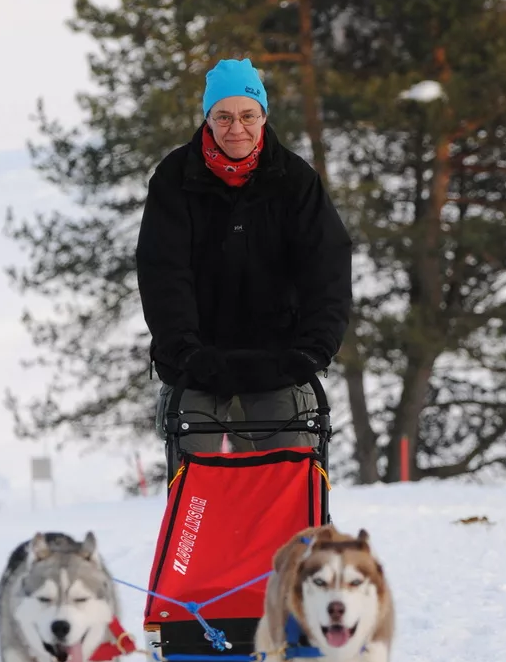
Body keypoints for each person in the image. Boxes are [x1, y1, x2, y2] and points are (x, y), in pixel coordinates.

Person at [136, 57, 352, 453]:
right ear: (208, 118)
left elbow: (327, 267)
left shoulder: (296, 181)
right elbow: (162, 272)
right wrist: (184, 350)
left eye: (248, 115)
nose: (237, 128)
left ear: (264, 115)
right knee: (195, 480)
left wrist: (314, 348)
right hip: (195, 362)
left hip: (279, 362)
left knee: (291, 474)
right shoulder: (173, 179)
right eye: (224, 117)